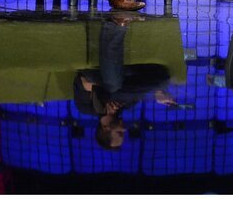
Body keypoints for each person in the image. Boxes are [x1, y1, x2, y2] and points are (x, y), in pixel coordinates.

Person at [74, 15, 177, 150]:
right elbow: (139, 86)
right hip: (130, 72)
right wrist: (157, 92)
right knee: (162, 80)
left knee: (113, 85)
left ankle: (116, 25)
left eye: (120, 133)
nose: (124, 129)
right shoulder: (125, 106)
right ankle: (115, 26)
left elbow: (82, 80)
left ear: (105, 129)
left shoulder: (86, 108)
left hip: (97, 74)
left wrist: (106, 98)